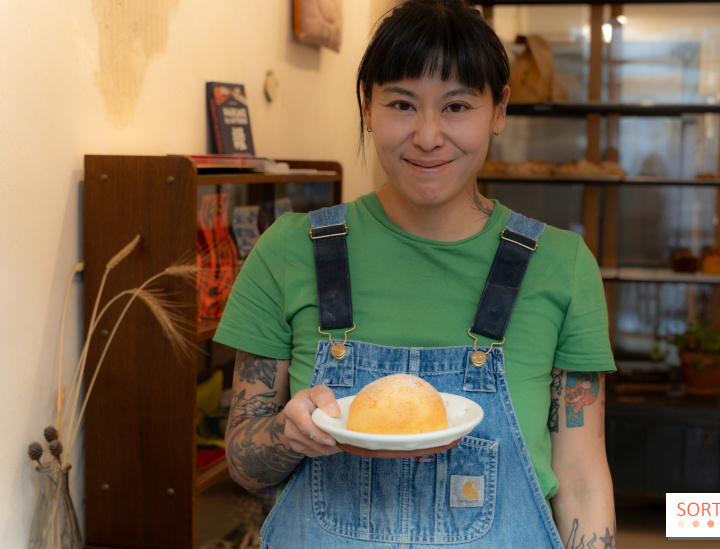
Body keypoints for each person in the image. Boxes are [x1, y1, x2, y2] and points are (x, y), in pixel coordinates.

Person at [214, 0, 617, 547]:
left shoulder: (561, 265)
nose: (428, 136)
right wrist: (289, 435)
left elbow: (583, 483)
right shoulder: (290, 251)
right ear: (367, 105)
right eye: (402, 104)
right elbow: (243, 463)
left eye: (457, 106)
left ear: (499, 110)